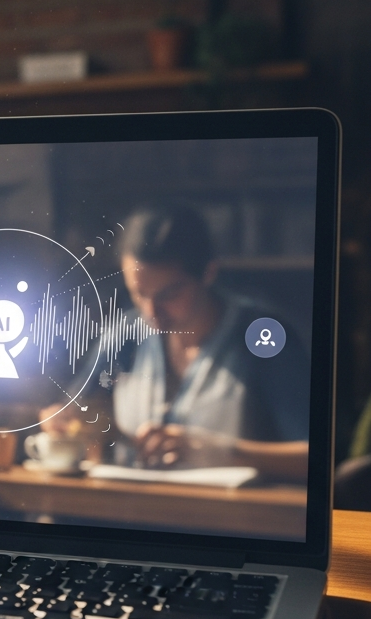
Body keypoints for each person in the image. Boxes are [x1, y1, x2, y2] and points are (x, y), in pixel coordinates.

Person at [43, 205, 310, 482]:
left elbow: (315, 456)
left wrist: (224, 452)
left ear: (208, 273)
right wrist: (66, 421)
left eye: (168, 294)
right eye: (139, 294)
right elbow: (76, 409)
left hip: (230, 508)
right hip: (129, 503)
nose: (151, 312)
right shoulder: (125, 335)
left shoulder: (260, 335)